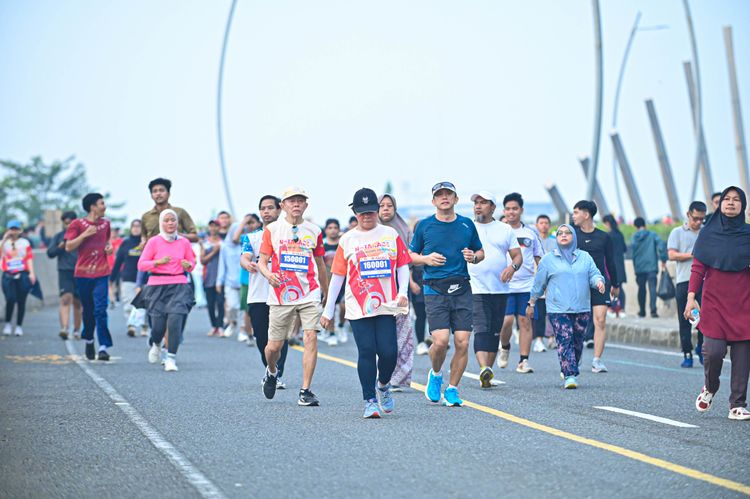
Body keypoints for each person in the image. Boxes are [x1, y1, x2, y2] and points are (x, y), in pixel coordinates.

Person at [322, 188, 411, 418]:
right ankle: (369, 400)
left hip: (387, 304)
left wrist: (403, 292)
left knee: (389, 352)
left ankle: (383, 385)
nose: (367, 216)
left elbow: (402, 265)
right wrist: (328, 310)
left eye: (371, 212)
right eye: (362, 213)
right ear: (355, 213)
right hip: (358, 306)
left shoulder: (390, 234)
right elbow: (338, 276)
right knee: (367, 350)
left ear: (377, 211)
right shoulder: (347, 239)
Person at [409, 181, 484, 407]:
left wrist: (474, 257)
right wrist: (426, 259)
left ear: (456, 199)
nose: (444, 198)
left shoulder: (466, 224)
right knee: (440, 341)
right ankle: (435, 374)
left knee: (462, 342)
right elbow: (410, 255)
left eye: (448, 194)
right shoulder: (424, 226)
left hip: (461, 287)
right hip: (435, 288)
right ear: (433, 201)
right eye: (440, 195)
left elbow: (480, 251)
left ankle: (452, 389)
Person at [257, 187, 329, 406]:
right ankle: (271, 371)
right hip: (281, 294)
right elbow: (262, 261)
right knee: (274, 347)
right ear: (283, 206)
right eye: (291, 201)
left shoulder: (314, 230)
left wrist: (326, 291)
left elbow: (320, 264)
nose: (296, 204)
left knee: (311, 337)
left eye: (300, 200)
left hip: (309, 292)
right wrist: (268, 274)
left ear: (306, 205)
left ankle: (305, 391)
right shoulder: (272, 230)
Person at [688, 186, 750, 421]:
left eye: (736, 200)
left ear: (743, 206)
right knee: (713, 352)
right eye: (727, 199)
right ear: (720, 204)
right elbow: (698, 268)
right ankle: (710, 387)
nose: (731, 203)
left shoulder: (748, 234)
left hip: (744, 302)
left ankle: (737, 404)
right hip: (714, 302)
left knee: (743, 357)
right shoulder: (708, 234)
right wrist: (691, 297)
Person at [527, 224, 605, 389]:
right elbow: (539, 284)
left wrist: (599, 282)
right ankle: (570, 375)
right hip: (558, 309)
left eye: (567, 233)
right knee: (565, 339)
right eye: (560, 233)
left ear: (574, 237)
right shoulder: (548, 259)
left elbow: (594, 274)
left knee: (577, 342)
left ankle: (571, 364)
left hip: (581, 308)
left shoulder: (585, 257)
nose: (563, 235)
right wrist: (532, 302)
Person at [468, 191, 522, 387]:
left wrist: (512, 268)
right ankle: (483, 367)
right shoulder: (467, 227)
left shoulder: (505, 229)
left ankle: (487, 373)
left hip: (500, 289)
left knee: (494, 332)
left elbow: (517, 256)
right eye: (476, 202)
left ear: (492, 207)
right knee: (481, 328)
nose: (478, 206)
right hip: (475, 287)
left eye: (483, 202)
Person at [137, 209, 196, 372]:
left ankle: (171, 358)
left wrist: (188, 265)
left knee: (175, 321)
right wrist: (157, 262)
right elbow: (141, 265)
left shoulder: (184, 242)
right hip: (156, 285)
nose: (170, 223)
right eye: (167, 220)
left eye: (173, 220)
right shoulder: (154, 242)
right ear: (161, 223)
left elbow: (192, 263)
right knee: (158, 327)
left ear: (177, 223)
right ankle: (156, 343)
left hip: (179, 284)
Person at [241, 195, 289, 389]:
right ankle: (270, 369)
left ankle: (277, 373)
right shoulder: (252, 237)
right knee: (262, 337)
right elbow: (244, 257)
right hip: (258, 295)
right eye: (263, 208)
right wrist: (247, 264)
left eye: (270, 207)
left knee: (281, 337)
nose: (266, 211)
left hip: (282, 295)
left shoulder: (288, 235)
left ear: (279, 210)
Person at [498, 193, 543, 374]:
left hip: (527, 285)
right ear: (503, 211)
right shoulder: (499, 231)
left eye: (515, 209)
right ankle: (505, 346)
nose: (511, 212)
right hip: (504, 286)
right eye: (508, 209)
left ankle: (523, 361)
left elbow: (540, 259)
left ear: (521, 210)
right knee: (506, 321)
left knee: (525, 322)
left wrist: (543, 282)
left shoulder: (530, 233)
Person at [572, 200, 620, 373]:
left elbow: (611, 262)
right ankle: (575, 356)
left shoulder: (604, 237)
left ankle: (597, 360)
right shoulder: (572, 236)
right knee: (577, 323)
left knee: (600, 320)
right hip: (577, 284)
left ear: (586, 215)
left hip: (599, 283)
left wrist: (615, 284)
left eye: (576, 212)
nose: (573, 216)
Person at [64, 193, 114, 360]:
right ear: (92, 207)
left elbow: (107, 242)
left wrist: (109, 248)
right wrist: (84, 234)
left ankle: (103, 347)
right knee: (89, 311)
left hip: (102, 273)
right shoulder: (77, 224)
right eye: (101, 203)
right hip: (83, 274)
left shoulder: (106, 224)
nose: (104, 206)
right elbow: (68, 246)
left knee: (100, 310)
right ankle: (89, 340)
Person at [378, 193, 418, 390]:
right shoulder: (369, 232)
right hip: (376, 290)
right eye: (382, 205)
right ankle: (381, 375)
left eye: (390, 205)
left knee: (401, 334)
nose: (386, 209)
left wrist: (408, 284)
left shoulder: (403, 230)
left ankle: (398, 378)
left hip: (399, 289)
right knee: (380, 334)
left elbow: (408, 260)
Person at [668, 201, 707, 367]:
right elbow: (671, 255)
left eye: (701, 219)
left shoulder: (706, 232)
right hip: (684, 280)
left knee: (705, 318)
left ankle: (701, 348)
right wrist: (692, 255)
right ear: (688, 215)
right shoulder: (677, 232)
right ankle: (687, 353)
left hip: (704, 282)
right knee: (684, 319)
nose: (698, 222)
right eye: (695, 218)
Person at [47, 211, 82, 340]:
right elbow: (50, 253)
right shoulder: (59, 236)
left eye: (70, 223)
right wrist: (60, 246)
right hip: (65, 271)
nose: (68, 225)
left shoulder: (81, 236)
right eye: (66, 223)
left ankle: (77, 330)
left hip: (80, 272)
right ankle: (64, 328)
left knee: (78, 302)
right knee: (66, 298)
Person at [110, 219, 148, 337]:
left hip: (144, 280)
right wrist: (112, 278)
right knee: (129, 303)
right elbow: (118, 262)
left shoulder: (147, 243)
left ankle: (144, 326)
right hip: (128, 278)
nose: (136, 228)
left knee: (144, 304)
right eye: (134, 226)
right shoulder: (125, 243)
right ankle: (131, 326)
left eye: (138, 226)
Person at [2, 220, 37, 337]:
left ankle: (18, 326)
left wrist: (32, 273)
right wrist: (4, 239)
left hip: (22, 274)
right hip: (8, 274)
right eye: (11, 229)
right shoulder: (3, 243)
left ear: (20, 230)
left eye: (16, 229)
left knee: (21, 301)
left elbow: (29, 258)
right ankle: (8, 323)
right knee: (10, 298)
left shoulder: (24, 243)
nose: (13, 231)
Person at [631, 217, 667, 318]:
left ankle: (642, 311)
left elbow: (633, 252)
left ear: (636, 226)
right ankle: (653, 311)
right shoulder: (652, 235)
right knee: (652, 289)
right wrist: (663, 259)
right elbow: (661, 245)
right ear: (645, 225)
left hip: (639, 267)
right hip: (652, 267)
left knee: (641, 289)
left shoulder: (634, 237)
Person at [233, 214, 260, 345]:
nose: (250, 225)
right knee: (247, 309)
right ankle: (249, 334)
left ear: (259, 223)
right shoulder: (246, 238)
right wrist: (243, 221)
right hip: (246, 280)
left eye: (252, 222)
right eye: (248, 223)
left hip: (261, 279)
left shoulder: (263, 236)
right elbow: (235, 238)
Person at [531, 214, 557, 352]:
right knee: (539, 312)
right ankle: (539, 340)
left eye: (546, 223)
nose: (544, 225)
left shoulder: (555, 242)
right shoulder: (533, 241)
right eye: (541, 223)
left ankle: (552, 338)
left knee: (553, 311)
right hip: (537, 281)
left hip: (553, 282)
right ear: (537, 225)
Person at [321, 218, 347, 346]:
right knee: (329, 306)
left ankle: (341, 325)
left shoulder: (343, 244)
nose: (333, 230)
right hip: (327, 281)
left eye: (335, 228)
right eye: (330, 228)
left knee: (343, 306)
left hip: (343, 280)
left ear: (339, 229)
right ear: (326, 230)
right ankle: (331, 333)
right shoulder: (322, 245)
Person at [217, 220, 243, 339]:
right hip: (230, 281)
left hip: (244, 281)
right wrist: (219, 281)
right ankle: (232, 323)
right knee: (232, 306)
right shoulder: (225, 247)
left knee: (244, 308)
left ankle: (243, 330)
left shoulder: (245, 245)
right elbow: (222, 264)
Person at [200, 220, 224, 337]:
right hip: (208, 278)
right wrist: (214, 252)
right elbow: (202, 260)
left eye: (215, 226)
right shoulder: (205, 243)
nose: (213, 229)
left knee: (220, 303)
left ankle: (220, 327)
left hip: (221, 278)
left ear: (219, 228)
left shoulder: (223, 243)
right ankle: (214, 326)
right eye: (211, 226)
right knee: (210, 304)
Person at [602, 214, 627, 318]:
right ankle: (621, 309)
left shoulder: (608, 236)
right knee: (619, 287)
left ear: (607, 223)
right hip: (620, 264)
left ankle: (612, 309)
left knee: (609, 287)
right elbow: (625, 249)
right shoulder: (620, 234)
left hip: (611, 264)